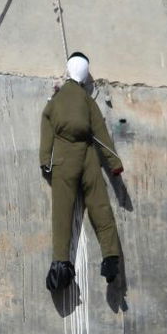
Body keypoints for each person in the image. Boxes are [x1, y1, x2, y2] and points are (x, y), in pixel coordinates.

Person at [38, 52, 123, 291]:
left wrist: (46, 160)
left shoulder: (53, 102)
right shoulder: (88, 102)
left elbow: (46, 130)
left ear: (67, 71)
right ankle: (111, 258)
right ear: (85, 76)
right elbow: (102, 136)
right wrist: (114, 163)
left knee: (62, 213)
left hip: (64, 158)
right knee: (100, 205)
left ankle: (60, 266)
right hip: (87, 156)